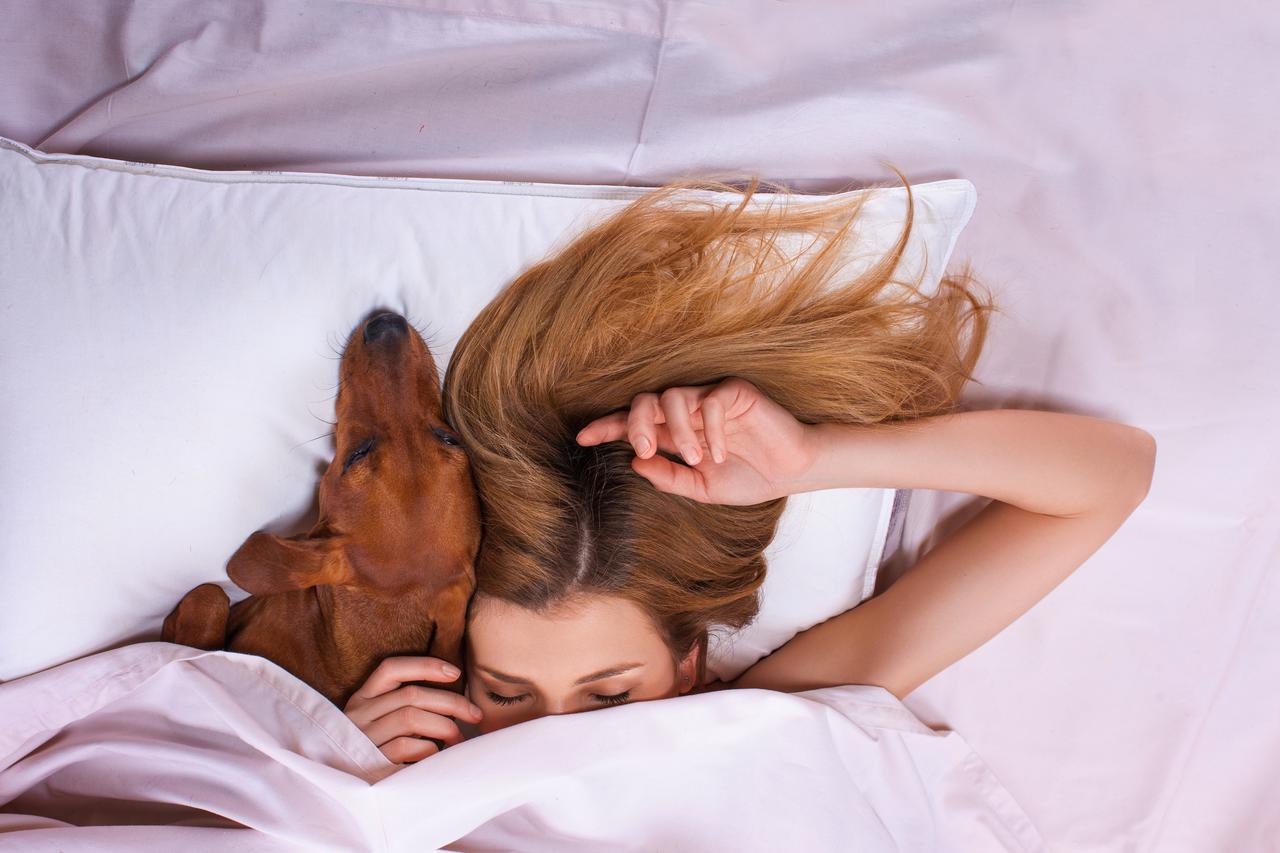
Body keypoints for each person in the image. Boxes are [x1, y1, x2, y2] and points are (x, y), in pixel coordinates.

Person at [341, 175, 1156, 764]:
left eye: (613, 695)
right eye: (507, 694)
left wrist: (814, 459)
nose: (556, 741)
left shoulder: (761, 716)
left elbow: (1109, 480)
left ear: (690, 666)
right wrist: (335, 782)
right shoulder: (393, 765)